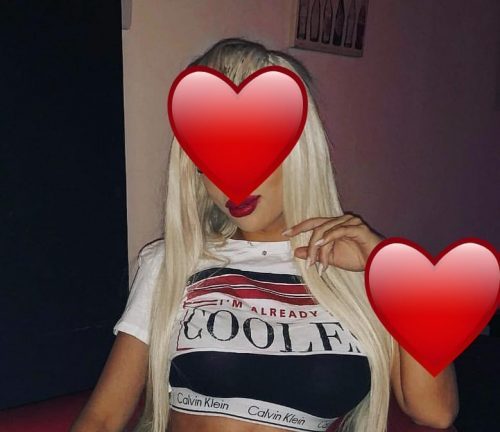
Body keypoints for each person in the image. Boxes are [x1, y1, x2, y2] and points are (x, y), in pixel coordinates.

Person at [71, 37, 459, 432]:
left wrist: (391, 268)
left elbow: (435, 412)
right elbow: (103, 418)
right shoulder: (172, 264)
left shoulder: (359, 275)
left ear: (297, 152)